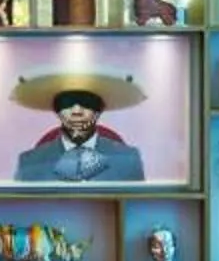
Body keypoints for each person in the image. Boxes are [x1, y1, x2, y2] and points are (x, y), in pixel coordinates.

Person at [11, 70, 148, 183]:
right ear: (57, 111)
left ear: (99, 110)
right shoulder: (29, 163)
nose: (77, 111)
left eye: (87, 103)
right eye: (67, 103)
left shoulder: (129, 160)